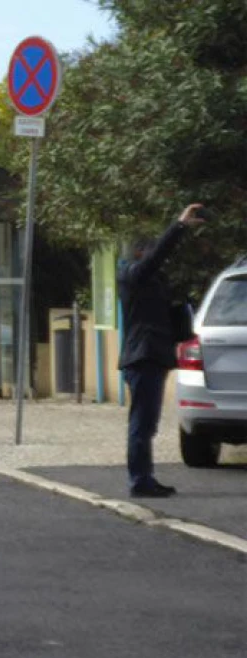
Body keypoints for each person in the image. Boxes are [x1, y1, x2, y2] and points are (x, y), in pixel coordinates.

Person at [117, 203, 206, 498]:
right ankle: (139, 481)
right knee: (141, 423)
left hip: (154, 355)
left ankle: (146, 477)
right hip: (142, 357)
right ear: (140, 251)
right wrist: (179, 226)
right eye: (148, 248)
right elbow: (155, 260)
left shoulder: (152, 280)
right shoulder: (131, 274)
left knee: (148, 423)